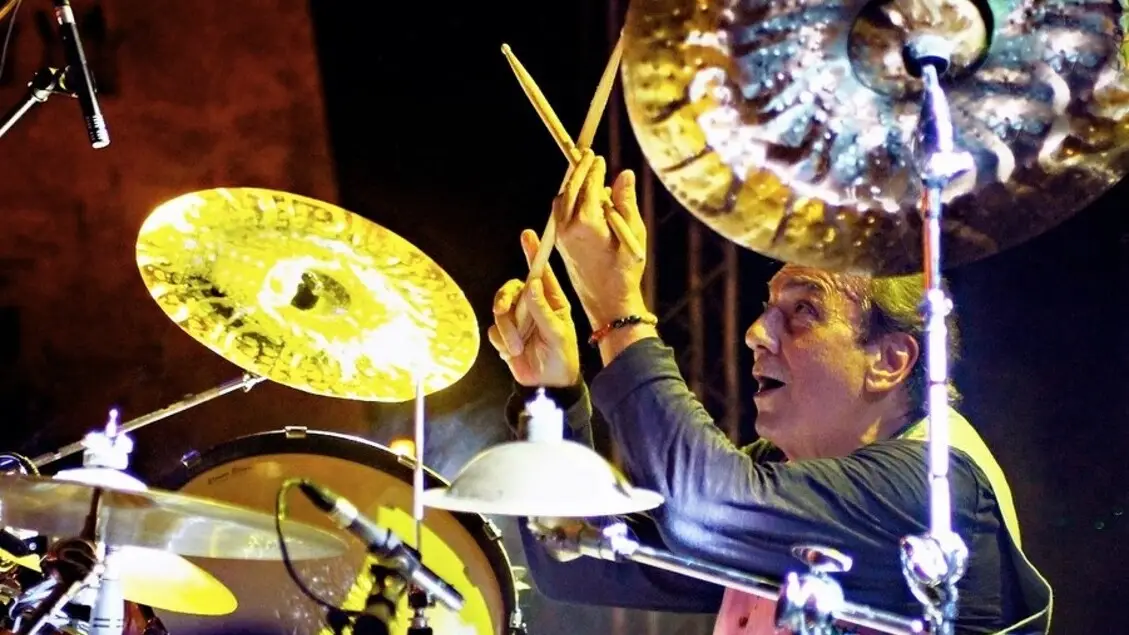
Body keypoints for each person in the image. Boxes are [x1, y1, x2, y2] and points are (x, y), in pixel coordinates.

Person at [487, 149, 1053, 635]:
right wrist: (549, 395)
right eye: (768, 308)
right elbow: (575, 560)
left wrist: (618, 314)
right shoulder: (785, 481)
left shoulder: (934, 491)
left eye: (804, 309)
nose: (757, 333)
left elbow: (703, 507)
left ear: (889, 361)